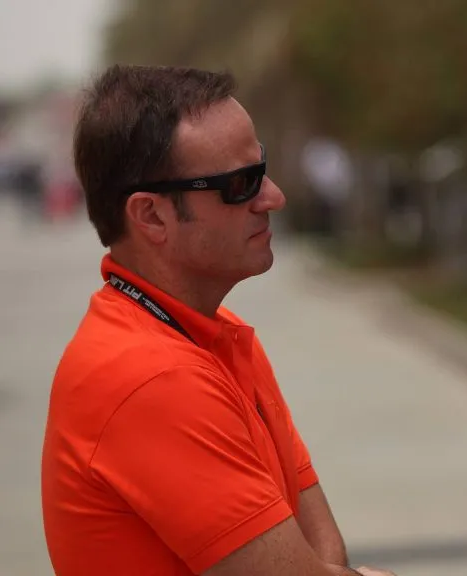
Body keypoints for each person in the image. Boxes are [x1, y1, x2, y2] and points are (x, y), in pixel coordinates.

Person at [40, 65, 394, 576]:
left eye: (262, 168)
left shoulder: (211, 330)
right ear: (152, 216)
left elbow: (319, 547)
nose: (273, 197)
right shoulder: (149, 377)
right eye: (241, 184)